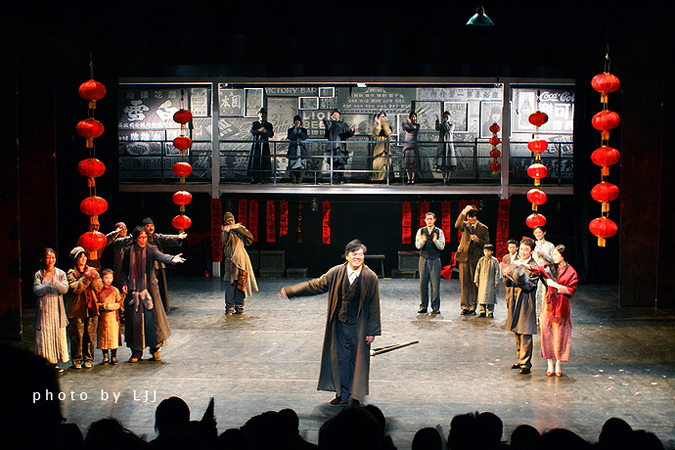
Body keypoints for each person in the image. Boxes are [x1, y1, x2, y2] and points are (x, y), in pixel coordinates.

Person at [279, 239, 381, 407]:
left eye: (361, 254)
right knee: (340, 361)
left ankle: (354, 397)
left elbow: (373, 305)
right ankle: (342, 395)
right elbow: (315, 285)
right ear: (347, 256)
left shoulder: (370, 277)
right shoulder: (336, 272)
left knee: (356, 363)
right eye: (354, 254)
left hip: (359, 327)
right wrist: (292, 291)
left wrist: (372, 331)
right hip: (340, 326)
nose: (358, 257)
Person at [121, 226, 185, 363]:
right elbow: (123, 270)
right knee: (135, 322)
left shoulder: (151, 249)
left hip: (149, 290)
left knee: (153, 320)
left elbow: (161, 256)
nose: (143, 240)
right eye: (140, 237)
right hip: (134, 291)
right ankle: (136, 351)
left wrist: (171, 259)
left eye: (145, 237)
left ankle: (155, 349)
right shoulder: (128, 252)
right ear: (135, 238)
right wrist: (124, 283)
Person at [529, 244, 578, 377]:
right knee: (547, 333)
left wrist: (556, 286)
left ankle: (558, 364)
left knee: (559, 335)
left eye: (556, 254)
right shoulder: (549, 268)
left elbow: (571, 290)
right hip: (549, 305)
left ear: (563, 256)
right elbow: (539, 270)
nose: (554, 256)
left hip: (561, 307)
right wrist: (525, 265)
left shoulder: (571, 271)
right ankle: (550, 364)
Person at [502, 237, 538, 374]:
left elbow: (530, 285)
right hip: (514, 298)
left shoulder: (533, 266)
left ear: (531, 251)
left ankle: (526, 363)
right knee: (516, 330)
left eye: (526, 250)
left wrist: (517, 276)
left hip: (526, 300)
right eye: (522, 249)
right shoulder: (515, 262)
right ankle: (520, 359)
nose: (523, 252)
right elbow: (507, 283)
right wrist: (507, 276)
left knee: (525, 332)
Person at [33, 247, 70, 372]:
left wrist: (56, 284)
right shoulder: (39, 274)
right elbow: (37, 290)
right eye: (48, 258)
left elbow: (65, 289)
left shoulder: (61, 273)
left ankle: (54, 363)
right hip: (44, 310)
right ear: (44, 259)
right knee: (44, 337)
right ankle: (43, 364)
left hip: (57, 310)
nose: (51, 260)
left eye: (53, 258)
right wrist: (49, 285)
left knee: (56, 335)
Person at [67, 246, 103, 369]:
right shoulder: (71, 273)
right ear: (75, 259)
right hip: (77, 308)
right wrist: (87, 278)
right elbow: (75, 288)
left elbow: (99, 287)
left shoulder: (92, 270)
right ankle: (77, 359)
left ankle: (88, 358)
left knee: (90, 335)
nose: (83, 259)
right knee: (77, 335)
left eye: (84, 257)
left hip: (91, 307)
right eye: (80, 257)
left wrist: (94, 278)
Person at [143, 217, 187, 311]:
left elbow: (166, 238)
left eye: (152, 226)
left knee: (161, 286)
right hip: (146, 266)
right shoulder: (142, 238)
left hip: (159, 264)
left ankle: (162, 306)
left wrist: (177, 237)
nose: (150, 228)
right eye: (148, 226)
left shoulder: (156, 237)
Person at [455, 205, 490, 315]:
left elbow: (487, 244)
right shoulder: (465, 225)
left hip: (476, 258)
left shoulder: (483, 228)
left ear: (476, 217)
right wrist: (464, 212)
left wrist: (478, 240)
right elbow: (457, 225)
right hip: (464, 257)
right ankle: (464, 306)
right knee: (464, 283)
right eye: (469, 217)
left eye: (473, 217)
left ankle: (472, 306)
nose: (471, 219)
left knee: (474, 283)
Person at [221, 211, 258, 315]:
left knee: (241, 285)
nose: (230, 222)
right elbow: (224, 241)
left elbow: (249, 238)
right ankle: (229, 308)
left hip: (242, 262)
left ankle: (239, 307)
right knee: (230, 286)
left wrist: (239, 229)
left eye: (231, 220)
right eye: (228, 221)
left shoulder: (239, 230)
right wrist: (227, 232)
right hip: (231, 263)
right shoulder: (224, 232)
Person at [415, 212, 445, 315]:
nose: (429, 221)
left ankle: (435, 307)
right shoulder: (421, 231)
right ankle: (423, 306)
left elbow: (442, 247)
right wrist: (422, 241)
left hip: (434, 259)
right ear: (425, 220)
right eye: (427, 219)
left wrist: (435, 241)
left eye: (431, 219)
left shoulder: (439, 231)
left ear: (434, 220)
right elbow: (417, 246)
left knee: (435, 284)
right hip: (423, 259)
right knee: (423, 284)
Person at [97, 268, 123, 365]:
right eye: (106, 278)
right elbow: (96, 303)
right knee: (103, 338)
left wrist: (110, 306)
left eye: (110, 278)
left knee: (113, 337)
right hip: (103, 318)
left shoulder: (115, 290)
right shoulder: (99, 290)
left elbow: (119, 303)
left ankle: (114, 356)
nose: (108, 280)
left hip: (113, 318)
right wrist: (103, 306)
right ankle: (105, 356)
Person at [322, 109, 355, 184]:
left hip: (341, 147)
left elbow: (347, 134)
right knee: (333, 164)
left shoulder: (343, 124)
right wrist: (325, 121)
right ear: (332, 116)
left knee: (341, 164)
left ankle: (340, 178)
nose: (336, 115)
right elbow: (327, 126)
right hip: (333, 147)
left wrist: (352, 131)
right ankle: (334, 179)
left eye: (337, 114)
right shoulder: (331, 123)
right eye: (334, 114)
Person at [532, 225, 555, 322]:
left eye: (539, 232)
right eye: (536, 233)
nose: (538, 234)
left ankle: (542, 317)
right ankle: (533, 317)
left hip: (544, 272)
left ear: (544, 233)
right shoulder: (532, 244)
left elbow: (554, 260)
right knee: (532, 295)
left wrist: (544, 254)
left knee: (542, 295)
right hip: (533, 271)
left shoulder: (550, 245)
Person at [248, 107, 274, 183]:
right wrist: (259, 130)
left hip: (265, 145)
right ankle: (254, 177)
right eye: (260, 113)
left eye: (263, 113)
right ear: (258, 114)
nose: (262, 115)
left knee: (264, 161)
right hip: (256, 144)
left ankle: (264, 177)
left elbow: (271, 134)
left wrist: (265, 131)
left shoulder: (268, 124)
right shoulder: (255, 124)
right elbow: (252, 132)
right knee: (255, 160)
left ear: (265, 115)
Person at [474, 243, 500, 318]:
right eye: (485, 251)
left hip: (490, 282)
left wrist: (496, 281)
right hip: (482, 281)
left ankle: (490, 311)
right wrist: (476, 280)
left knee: (490, 297)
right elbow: (477, 270)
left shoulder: (494, 261)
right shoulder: (481, 260)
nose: (487, 253)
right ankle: (482, 311)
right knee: (481, 297)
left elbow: (497, 271)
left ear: (492, 252)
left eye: (488, 251)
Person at [435, 111, 457, 182]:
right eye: (444, 117)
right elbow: (437, 128)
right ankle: (444, 178)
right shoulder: (442, 125)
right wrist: (437, 121)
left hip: (449, 145)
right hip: (442, 146)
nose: (445, 118)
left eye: (447, 117)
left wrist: (446, 123)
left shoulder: (452, 125)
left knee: (449, 163)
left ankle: (448, 178)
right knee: (442, 163)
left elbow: (448, 130)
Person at [287, 115, 309, 184]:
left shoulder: (304, 130)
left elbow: (305, 137)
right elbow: (290, 137)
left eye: (298, 121)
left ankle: (300, 178)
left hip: (301, 149)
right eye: (296, 121)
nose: (297, 123)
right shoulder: (290, 130)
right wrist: (294, 130)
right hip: (293, 149)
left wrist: (299, 131)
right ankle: (293, 178)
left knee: (301, 165)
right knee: (292, 164)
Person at [371, 111, 392, 182]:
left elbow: (388, 132)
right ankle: (377, 178)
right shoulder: (376, 126)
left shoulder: (388, 125)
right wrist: (379, 124)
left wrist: (384, 123)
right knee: (378, 163)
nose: (382, 118)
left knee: (386, 164)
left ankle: (387, 179)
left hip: (386, 148)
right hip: (379, 147)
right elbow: (376, 132)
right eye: (381, 117)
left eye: (383, 117)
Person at [401, 112, 420, 184]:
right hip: (407, 146)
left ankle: (413, 179)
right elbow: (403, 128)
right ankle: (409, 178)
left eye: (414, 117)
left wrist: (408, 121)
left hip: (413, 146)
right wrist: (403, 121)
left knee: (414, 163)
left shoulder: (417, 125)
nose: (413, 118)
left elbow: (412, 128)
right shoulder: (407, 125)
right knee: (407, 163)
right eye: (411, 117)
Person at [112, 222, 131, 289]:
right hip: (120, 267)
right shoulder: (117, 241)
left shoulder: (129, 242)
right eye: (122, 229)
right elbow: (124, 241)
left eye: (125, 229)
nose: (124, 231)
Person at [502, 239, 519, 309]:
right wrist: (505, 272)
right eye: (510, 247)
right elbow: (503, 268)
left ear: (517, 248)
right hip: (508, 279)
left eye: (513, 247)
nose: (511, 249)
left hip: (516, 280)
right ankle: (509, 312)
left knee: (516, 297)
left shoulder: (519, 257)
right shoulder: (506, 257)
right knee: (508, 298)